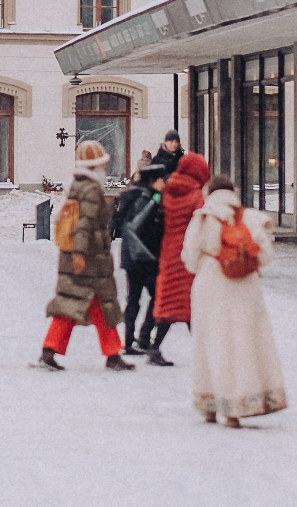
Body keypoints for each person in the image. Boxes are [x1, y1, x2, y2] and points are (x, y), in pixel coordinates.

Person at [183, 174, 286, 426]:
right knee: (242, 344)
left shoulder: (203, 217)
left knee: (210, 343)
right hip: (245, 287)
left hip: (210, 283)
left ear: (209, 193)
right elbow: (265, 256)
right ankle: (237, 407)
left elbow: (190, 258)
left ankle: (209, 404)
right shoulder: (250, 217)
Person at [41, 141, 132, 371]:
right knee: (96, 306)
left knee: (76, 304)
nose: (105, 168)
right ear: (95, 166)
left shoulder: (77, 185)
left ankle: (51, 350)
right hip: (89, 259)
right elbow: (84, 224)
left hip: (83, 257)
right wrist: (80, 254)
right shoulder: (91, 189)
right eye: (102, 164)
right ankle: (112, 355)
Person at [147, 152, 212, 365]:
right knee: (192, 301)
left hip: (168, 251)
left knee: (170, 301)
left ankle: (154, 347)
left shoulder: (168, 189)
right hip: (188, 252)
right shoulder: (196, 195)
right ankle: (206, 353)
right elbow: (202, 224)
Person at [113, 161, 166, 357]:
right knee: (157, 296)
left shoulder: (132, 194)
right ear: (154, 180)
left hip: (131, 256)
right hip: (145, 257)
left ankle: (129, 341)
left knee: (133, 299)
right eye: (162, 180)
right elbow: (142, 227)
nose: (164, 183)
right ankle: (143, 336)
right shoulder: (147, 198)